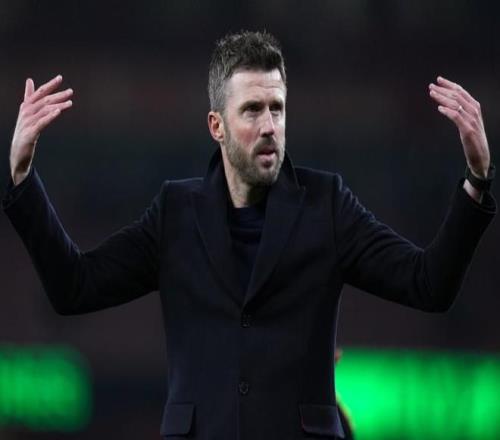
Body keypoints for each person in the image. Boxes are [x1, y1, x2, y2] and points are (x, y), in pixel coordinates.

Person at [3, 31, 496, 440]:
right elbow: (74, 287)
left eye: (277, 109)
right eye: (253, 110)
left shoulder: (326, 205)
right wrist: (23, 178)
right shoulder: (176, 214)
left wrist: (476, 179)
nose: (269, 127)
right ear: (216, 125)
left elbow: (429, 285)